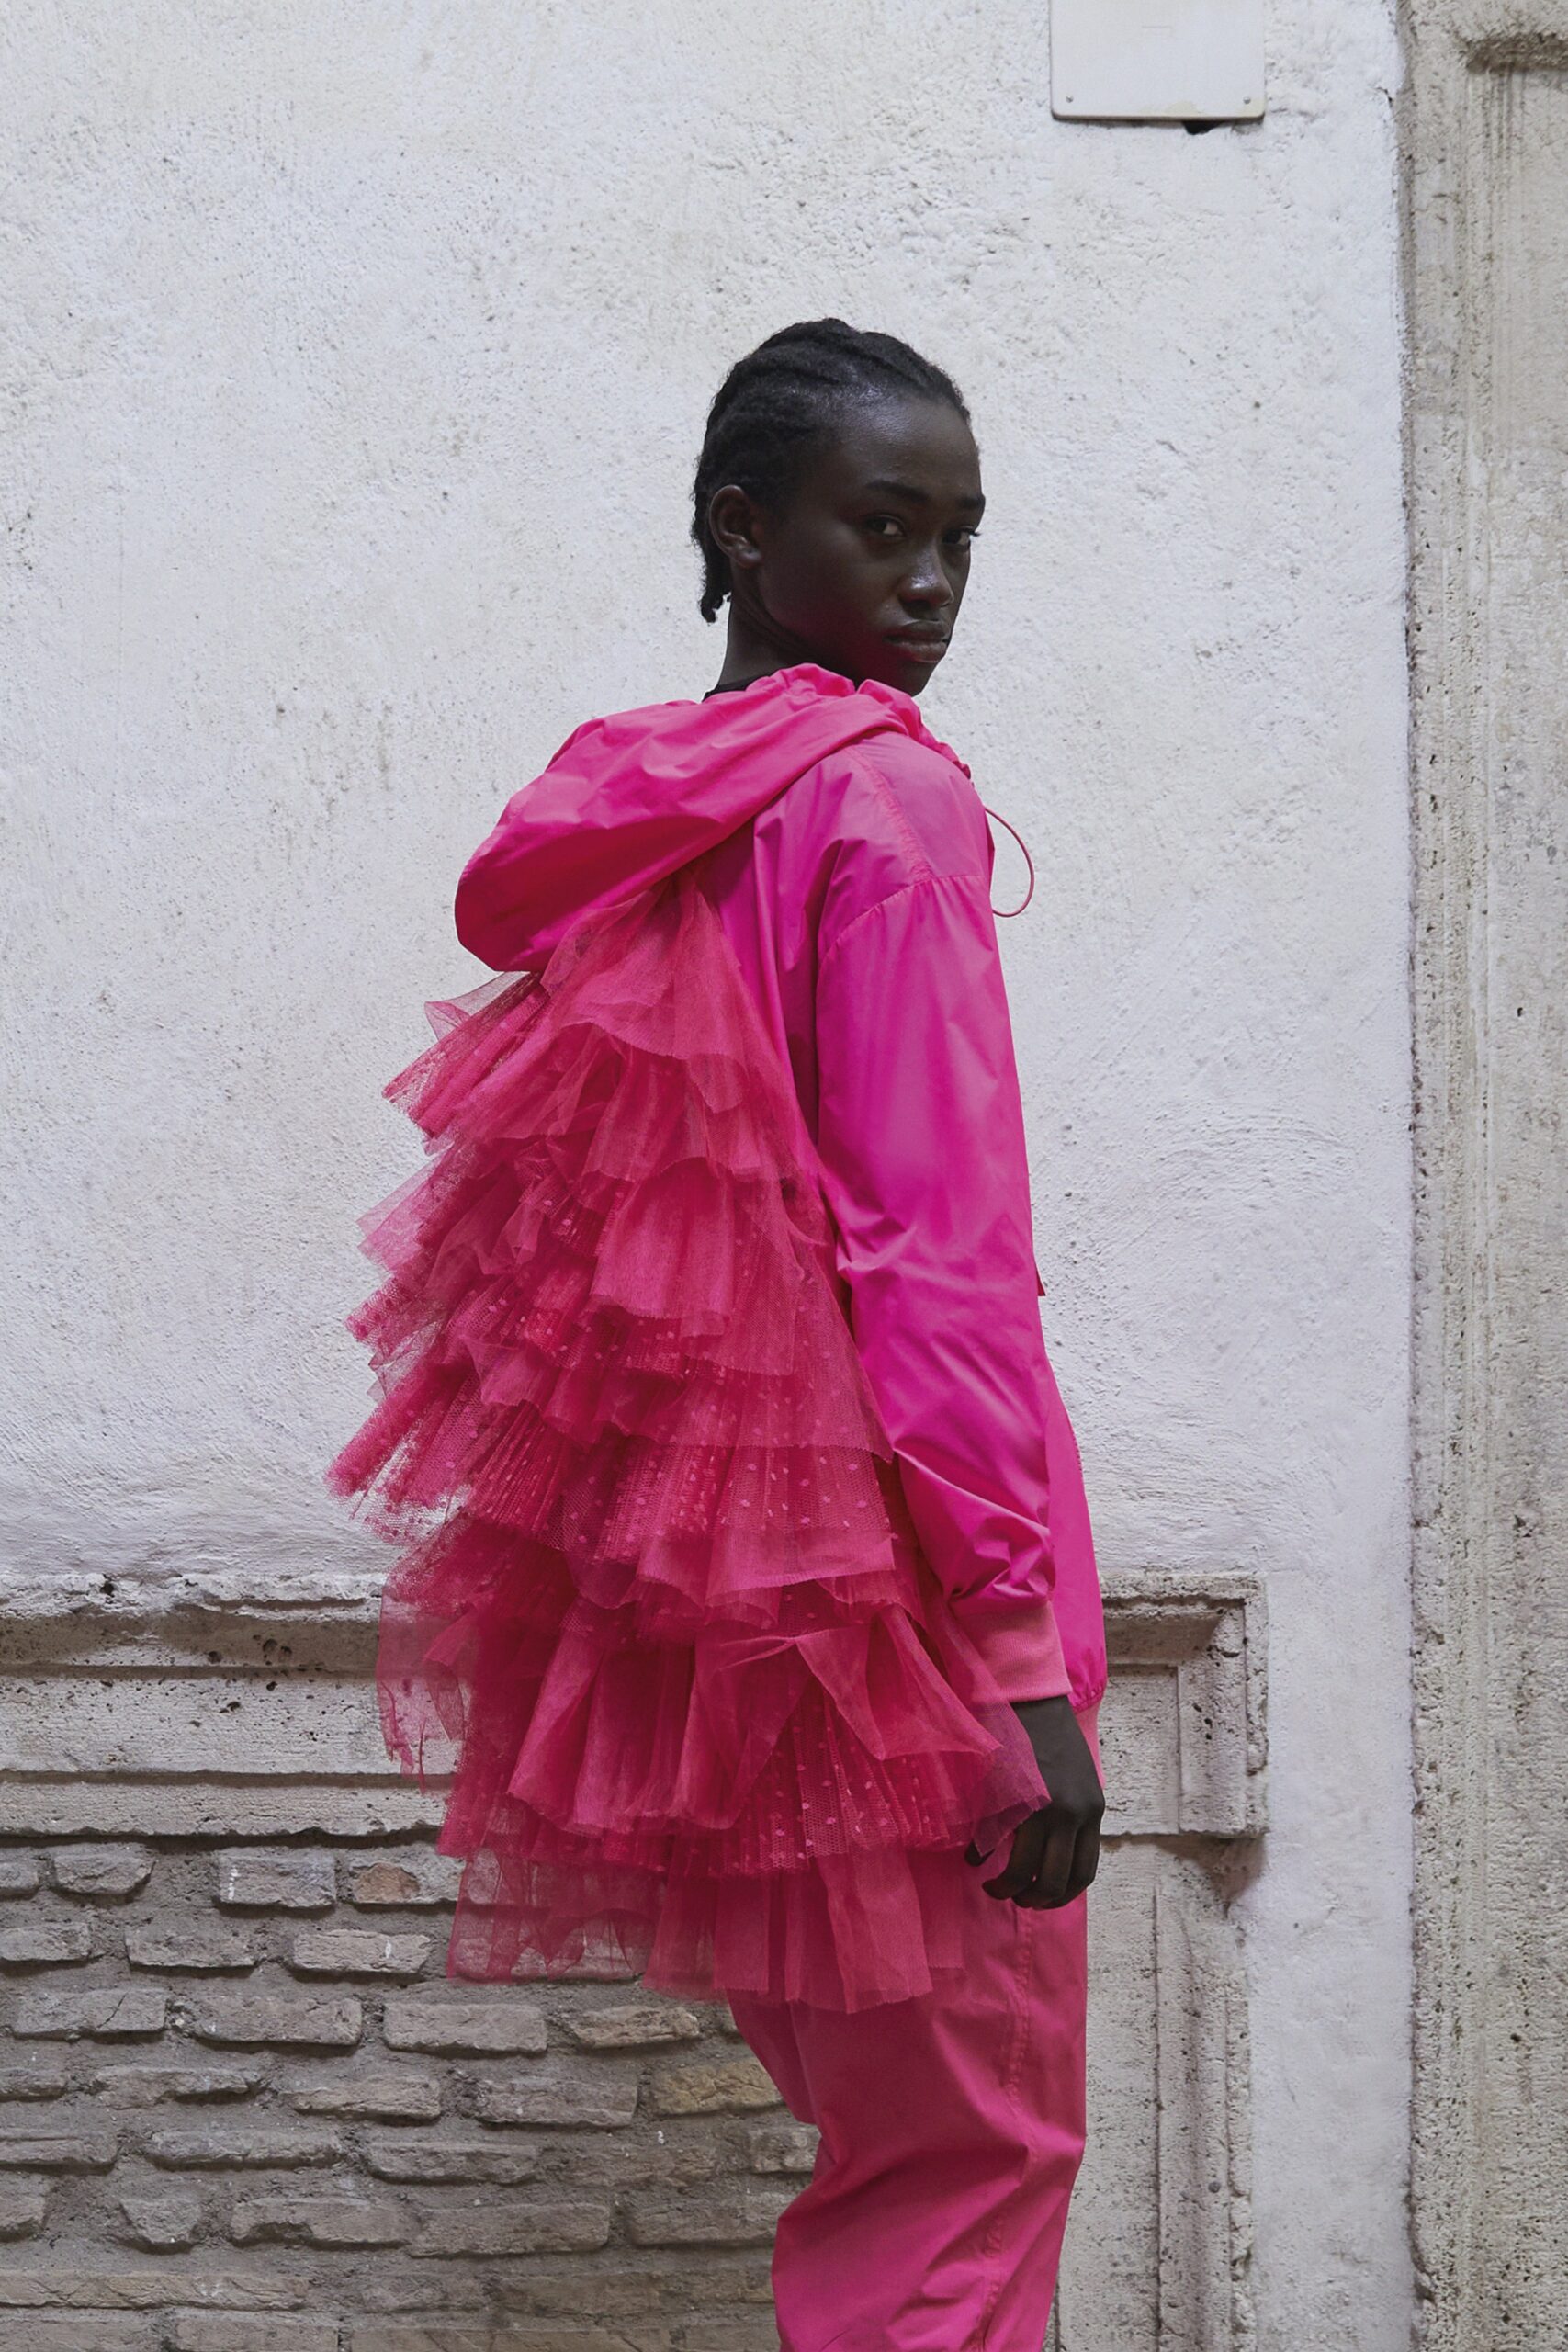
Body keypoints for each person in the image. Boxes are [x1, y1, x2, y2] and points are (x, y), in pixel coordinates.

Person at [332, 319, 1106, 2352]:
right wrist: (1017, 1662)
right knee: (964, 2173)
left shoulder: (633, 813)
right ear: (744, 533)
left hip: (725, 1622)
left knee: (892, 2165)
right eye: (880, 527)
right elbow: (930, 1260)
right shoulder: (884, 811)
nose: (928, 584)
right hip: (908, 1620)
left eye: (957, 537)